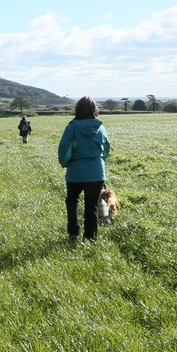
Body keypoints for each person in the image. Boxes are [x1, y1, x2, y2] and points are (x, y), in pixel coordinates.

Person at [58, 96, 110, 243]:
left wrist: (65, 163)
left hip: (76, 171)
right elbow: (106, 149)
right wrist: (100, 163)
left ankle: (73, 233)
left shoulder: (71, 128)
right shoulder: (101, 127)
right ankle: (90, 238)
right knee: (91, 206)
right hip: (96, 172)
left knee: (72, 201)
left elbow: (64, 149)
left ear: (77, 109)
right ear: (95, 110)